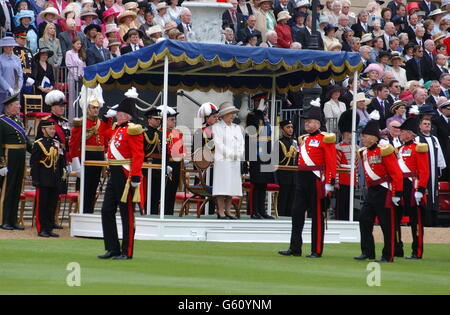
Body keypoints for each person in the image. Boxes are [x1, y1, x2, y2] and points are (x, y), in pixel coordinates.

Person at [279, 98, 337, 258]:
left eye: (310, 121)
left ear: (318, 124)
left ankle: (316, 249)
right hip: (302, 178)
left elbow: (331, 162)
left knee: (317, 216)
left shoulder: (326, 139)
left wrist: (330, 182)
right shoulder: (304, 139)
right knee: (296, 212)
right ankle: (295, 247)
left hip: (316, 179)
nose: (306, 124)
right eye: (306, 121)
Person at [98, 95, 144, 260]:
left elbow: (138, 155)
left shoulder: (133, 129)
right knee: (106, 210)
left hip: (126, 174)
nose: (116, 115)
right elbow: (103, 132)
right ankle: (112, 248)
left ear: (125, 115)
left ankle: (127, 250)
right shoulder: (117, 128)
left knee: (127, 214)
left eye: (118, 113)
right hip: (114, 173)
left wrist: (136, 176)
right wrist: (105, 118)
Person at [354, 117, 403, 262]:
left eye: (365, 136)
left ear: (374, 137)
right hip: (372, 191)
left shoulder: (385, 151)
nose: (362, 139)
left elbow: (396, 173)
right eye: (362, 136)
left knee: (386, 224)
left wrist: (397, 193)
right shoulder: (364, 152)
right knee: (364, 219)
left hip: (384, 191)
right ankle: (367, 251)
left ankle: (388, 254)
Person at [69, 89, 110, 214]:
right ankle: (83, 212)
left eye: (97, 108)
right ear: (87, 108)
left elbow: (106, 141)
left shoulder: (101, 123)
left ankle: (89, 212)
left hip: (98, 158)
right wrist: (76, 164)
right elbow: (73, 144)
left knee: (94, 188)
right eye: (93, 108)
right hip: (86, 156)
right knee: (85, 188)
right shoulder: (81, 123)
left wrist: (106, 157)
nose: (96, 110)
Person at [396, 117, 430, 259]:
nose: (400, 134)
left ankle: (417, 250)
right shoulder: (398, 149)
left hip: (413, 186)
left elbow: (424, 171)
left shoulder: (418, 148)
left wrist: (421, 190)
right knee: (396, 218)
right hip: (400, 186)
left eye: (402, 131)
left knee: (415, 220)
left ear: (410, 133)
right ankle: (398, 248)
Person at [0, 94, 32, 230]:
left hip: (20, 159)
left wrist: (37, 150)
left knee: (16, 190)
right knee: (8, 190)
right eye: (17, 105)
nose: (19, 106)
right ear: (9, 107)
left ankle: (13, 220)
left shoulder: (18, 121)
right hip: (9, 158)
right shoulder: (1, 122)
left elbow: (26, 140)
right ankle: (4, 220)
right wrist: (2, 164)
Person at [31, 120, 66, 238]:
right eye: (50, 129)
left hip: (54, 179)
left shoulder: (57, 143)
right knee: (42, 206)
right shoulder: (39, 144)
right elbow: (34, 163)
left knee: (52, 205)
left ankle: (49, 227)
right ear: (43, 130)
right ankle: (41, 229)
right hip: (43, 179)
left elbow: (61, 162)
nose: (52, 131)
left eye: (53, 129)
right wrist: (35, 179)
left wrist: (62, 176)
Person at [245, 93, 275, 220]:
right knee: (256, 184)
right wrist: (258, 112)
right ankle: (254, 211)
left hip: (265, 153)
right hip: (255, 153)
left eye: (266, 103)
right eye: (263, 102)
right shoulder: (252, 116)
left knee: (263, 184)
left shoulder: (264, 116)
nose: (265, 105)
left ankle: (262, 210)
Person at [212, 102, 244, 219]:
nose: (232, 116)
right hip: (223, 161)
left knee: (231, 187)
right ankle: (220, 211)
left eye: (233, 113)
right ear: (224, 115)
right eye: (230, 113)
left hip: (235, 161)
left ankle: (228, 211)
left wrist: (239, 154)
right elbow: (219, 144)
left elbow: (241, 143)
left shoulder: (237, 128)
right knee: (222, 187)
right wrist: (231, 154)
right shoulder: (217, 127)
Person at [417, 117, 446, 226]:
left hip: (434, 173)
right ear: (420, 126)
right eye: (425, 124)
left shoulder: (434, 139)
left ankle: (434, 221)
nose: (427, 125)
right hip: (423, 173)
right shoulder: (417, 139)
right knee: (426, 195)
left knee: (435, 195)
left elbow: (439, 155)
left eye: (429, 124)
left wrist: (439, 168)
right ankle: (426, 221)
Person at [192, 102, 219, 215]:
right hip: (204, 169)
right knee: (204, 195)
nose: (217, 118)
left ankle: (213, 212)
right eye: (214, 116)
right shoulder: (200, 131)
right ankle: (203, 214)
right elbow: (196, 153)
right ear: (207, 118)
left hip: (216, 167)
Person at [335, 110, 359, 221]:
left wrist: (356, 180)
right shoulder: (339, 147)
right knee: (342, 204)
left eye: (351, 133)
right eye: (348, 134)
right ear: (343, 134)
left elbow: (356, 165)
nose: (350, 136)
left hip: (352, 178)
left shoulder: (356, 147)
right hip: (342, 179)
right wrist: (336, 181)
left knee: (350, 203)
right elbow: (336, 165)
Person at [163, 106, 186, 215]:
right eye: (171, 119)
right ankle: (163, 212)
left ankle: (169, 212)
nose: (174, 121)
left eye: (174, 119)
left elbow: (182, 148)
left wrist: (184, 157)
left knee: (172, 190)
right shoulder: (161, 133)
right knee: (164, 191)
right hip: (166, 163)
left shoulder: (177, 132)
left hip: (176, 164)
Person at [276, 120, 297, 217]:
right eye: (288, 127)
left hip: (294, 176)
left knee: (292, 202)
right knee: (283, 201)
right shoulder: (279, 143)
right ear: (282, 129)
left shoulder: (295, 142)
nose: (290, 129)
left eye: (291, 127)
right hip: (283, 175)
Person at [143, 108, 162, 215]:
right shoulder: (144, 133)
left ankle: (155, 214)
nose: (158, 121)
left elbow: (165, 152)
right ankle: (147, 213)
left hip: (159, 167)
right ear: (149, 120)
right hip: (148, 168)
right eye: (155, 119)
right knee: (148, 194)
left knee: (156, 195)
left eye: (159, 119)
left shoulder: (160, 133)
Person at [65, 37, 86, 120]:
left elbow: (84, 66)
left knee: (80, 97)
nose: (79, 45)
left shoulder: (81, 54)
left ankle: (79, 117)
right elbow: (69, 65)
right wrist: (76, 76)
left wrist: (83, 76)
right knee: (72, 98)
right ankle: (71, 119)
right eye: (77, 43)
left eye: (80, 44)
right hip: (72, 77)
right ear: (73, 44)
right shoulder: (69, 53)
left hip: (81, 78)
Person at [0, 36, 23, 112]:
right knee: (2, 111)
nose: (11, 48)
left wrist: (18, 87)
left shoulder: (17, 59)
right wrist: (8, 88)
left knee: (15, 111)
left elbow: (20, 75)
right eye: (9, 46)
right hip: (3, 91)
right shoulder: (0, 59)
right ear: (4, 47)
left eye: (12, 46)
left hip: (16, 92)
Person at [13, 28, 34, 96]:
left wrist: (33, 77)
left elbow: (33, 65)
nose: (24, 40)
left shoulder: (28, 51)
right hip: (18, 80)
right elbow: (15, 68)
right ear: (16, 38)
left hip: (30, 81)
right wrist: (26, 78)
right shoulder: (12, 51)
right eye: (22, 38)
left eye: (25, 38)